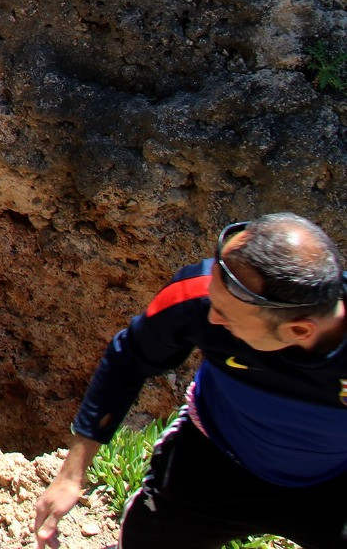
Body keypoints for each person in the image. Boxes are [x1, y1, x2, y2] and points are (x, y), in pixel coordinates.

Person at [33, 213, 347, 549]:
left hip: (334, 483)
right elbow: (128, 359)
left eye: (227, 316)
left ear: (298, 330)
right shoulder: (197, 297)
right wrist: (71, 475)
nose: (211, 318)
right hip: (212, 462)